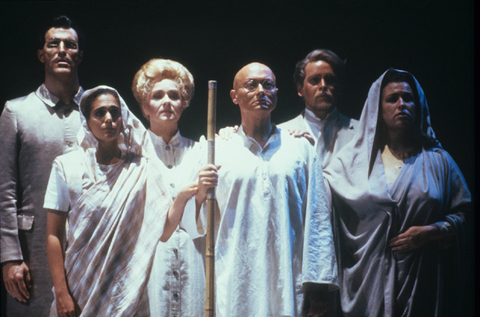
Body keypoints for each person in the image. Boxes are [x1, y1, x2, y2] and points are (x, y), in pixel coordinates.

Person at [324, 68, 470, 316]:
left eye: (408, 98)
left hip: (423, 282)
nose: (402, 104)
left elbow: (465, 211)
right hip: (367, 283)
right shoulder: (352, 162)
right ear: (376, 108)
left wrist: (431, 232)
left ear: (419, 104)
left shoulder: (439, 161)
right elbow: (320, 205)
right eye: (392, 99)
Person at [45, 86, 201, 316]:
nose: (108, 119)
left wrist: (182, 197)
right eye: (99, 113)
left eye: (114, 112)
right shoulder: (66, 166)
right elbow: (53, 235)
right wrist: (61, 292)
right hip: (79, 287)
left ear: (123, 118)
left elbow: (165, 232)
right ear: (87, 120)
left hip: (127, 294)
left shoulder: (141, 169)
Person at [199, 62, 338, 316]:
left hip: (287, 278)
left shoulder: (300, 148)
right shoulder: (218, 148)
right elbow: (200, 222)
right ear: (234, 96)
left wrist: (318, 287)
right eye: (251, 85)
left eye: (268, 85)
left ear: (277, 92)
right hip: (234, 282)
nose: (261, 91)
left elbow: (317, 219)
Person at [0, 15, 84, 316]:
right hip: (33, 252)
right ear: (41, 54)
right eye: (53, 44)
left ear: (79, 55)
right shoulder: (17, 111)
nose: (62, 50)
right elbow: (4, 189)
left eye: (70, 45)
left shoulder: (101, 112)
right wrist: (9, 256)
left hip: (89, 244)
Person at [132, 58, 215, 316]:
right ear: (145, 106)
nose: (167, 101)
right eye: (157, 96)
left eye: (174, 95)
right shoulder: (132, 155)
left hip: (193, 263)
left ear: (185, 102)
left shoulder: (201, 150)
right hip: (149, 267)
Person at [278, 49, 358, 169]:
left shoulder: (360, 131)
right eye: (314, 80)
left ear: (339, 87)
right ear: (300, 89)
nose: (323, 86)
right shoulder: (280, 133)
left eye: (330, 80)